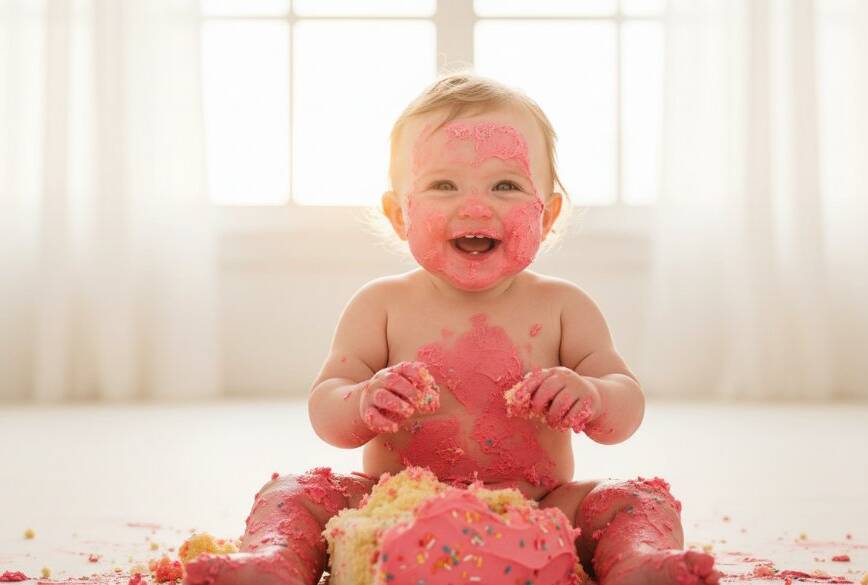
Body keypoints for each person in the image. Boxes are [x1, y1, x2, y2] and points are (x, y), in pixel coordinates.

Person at [185, 73, 722, 585]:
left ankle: (643, 564)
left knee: (640, 498)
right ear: (400, 214)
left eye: (506, 184)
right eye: (443, 184)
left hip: (539, 511)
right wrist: (364, 401)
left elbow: (624, 405)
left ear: (548, 213)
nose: (474, 205)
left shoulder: (564, 307)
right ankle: (272, 561)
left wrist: (591, 395)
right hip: (391, 509)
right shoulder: (381, 306)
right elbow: (327, 408)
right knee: (294, 491)